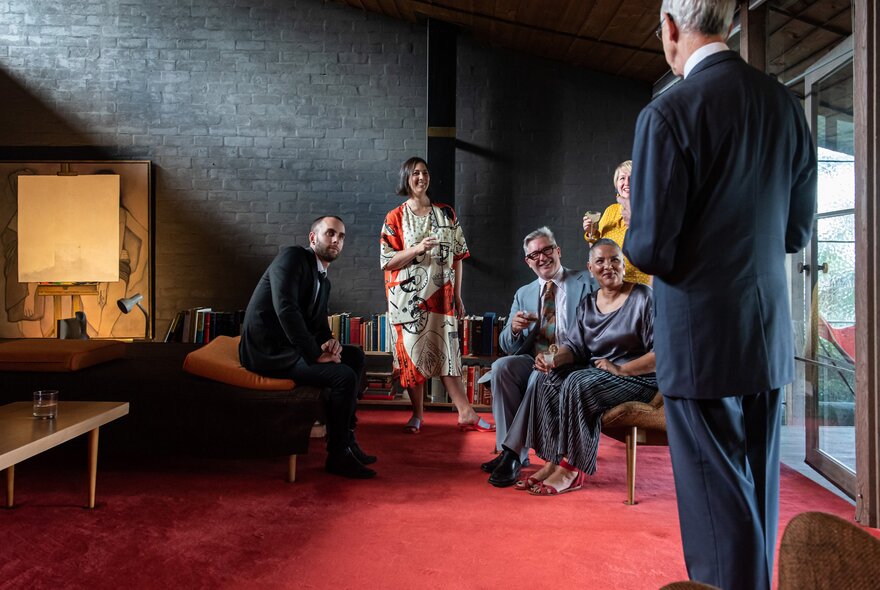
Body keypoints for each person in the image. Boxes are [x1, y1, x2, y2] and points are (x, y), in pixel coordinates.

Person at [624, 1, 816, 588]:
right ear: (729, 24)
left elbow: (650, 250)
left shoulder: (667, 113)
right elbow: (796, 234)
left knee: (715, 516)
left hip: (700, 341)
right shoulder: (784, 106)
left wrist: (634, 220)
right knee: (755, 500)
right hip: (766, 338)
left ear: (670, 27)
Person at [239, 215, 377, 480]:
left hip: (292, 348)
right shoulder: (292, 258)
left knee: (355, 356)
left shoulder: (323, 280)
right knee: (344, 377)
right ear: (313, 238)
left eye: (341, 236)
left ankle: (347, 440)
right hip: (269, 351)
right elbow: (286, 309)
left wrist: (330, 344)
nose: (336, 240)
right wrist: (315, 354)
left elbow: (319, 325)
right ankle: (337, 455)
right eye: (330, 233)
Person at [521, 239, 657, 496]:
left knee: (578, 382)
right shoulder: (588, 303)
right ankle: (553, 460)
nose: (608, 266)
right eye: (600, 261)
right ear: (590, 269)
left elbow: (661, 354)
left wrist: (621, 370)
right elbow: (574, 347)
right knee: (545, 377)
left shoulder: (643, 297)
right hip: (600, 376)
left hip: (639, 379)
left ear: (624, 265)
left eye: (614, 260)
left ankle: (572, 469)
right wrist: (550, 359)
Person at [380, 156, 492, 434]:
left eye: (425, 173)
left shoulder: (446, 214)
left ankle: (465, 412)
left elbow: (458, 256)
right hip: (407, 301)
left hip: (442, 298)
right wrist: (417, 249)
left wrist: (458, 296)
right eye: (415, 173)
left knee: (447, 353)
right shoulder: (395, 217)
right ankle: (417, 414)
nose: (421, 177)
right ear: (406, 178)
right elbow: (387, 261)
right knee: (413, 355)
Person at [481, 226, 594, 487]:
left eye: (546, 250)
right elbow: (507, 345)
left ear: (558, 251)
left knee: (538, 377)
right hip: (536, 359)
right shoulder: (524, 293)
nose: (542, 258)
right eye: (534, 255)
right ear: (528, 262)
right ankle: (513, 452)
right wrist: (514, 329)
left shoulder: (586, 282)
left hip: (573, 362)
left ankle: (510, 454)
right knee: (502, 368)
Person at [582, 160, 651, 285]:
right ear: (616, 183)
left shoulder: (650, 210)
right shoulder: (610, 210)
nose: (626, 183)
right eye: (622, 178)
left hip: (642, 285)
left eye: (632, 178)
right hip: (612, 284)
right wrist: (591, 233)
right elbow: (597, 250)